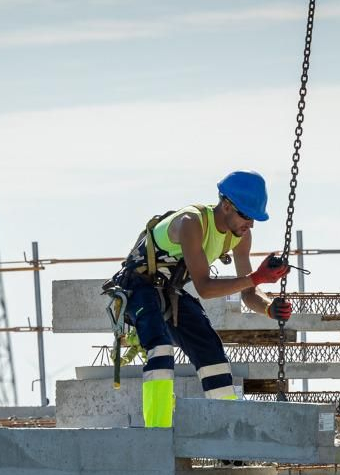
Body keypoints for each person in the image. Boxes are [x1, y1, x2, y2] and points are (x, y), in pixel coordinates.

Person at [105, 171, 292, 428]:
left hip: (169, 290)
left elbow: (249, 293)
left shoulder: (240, 237)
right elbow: (204, 287)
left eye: (254, 219)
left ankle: (228, 433)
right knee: (160, 348)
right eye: (246, 216)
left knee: (210, 350)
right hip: (137, 286)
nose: (250, 225)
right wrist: (256, 277)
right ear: (226, 206)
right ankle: (157, 432)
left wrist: (270, 307)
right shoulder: (191, 222)